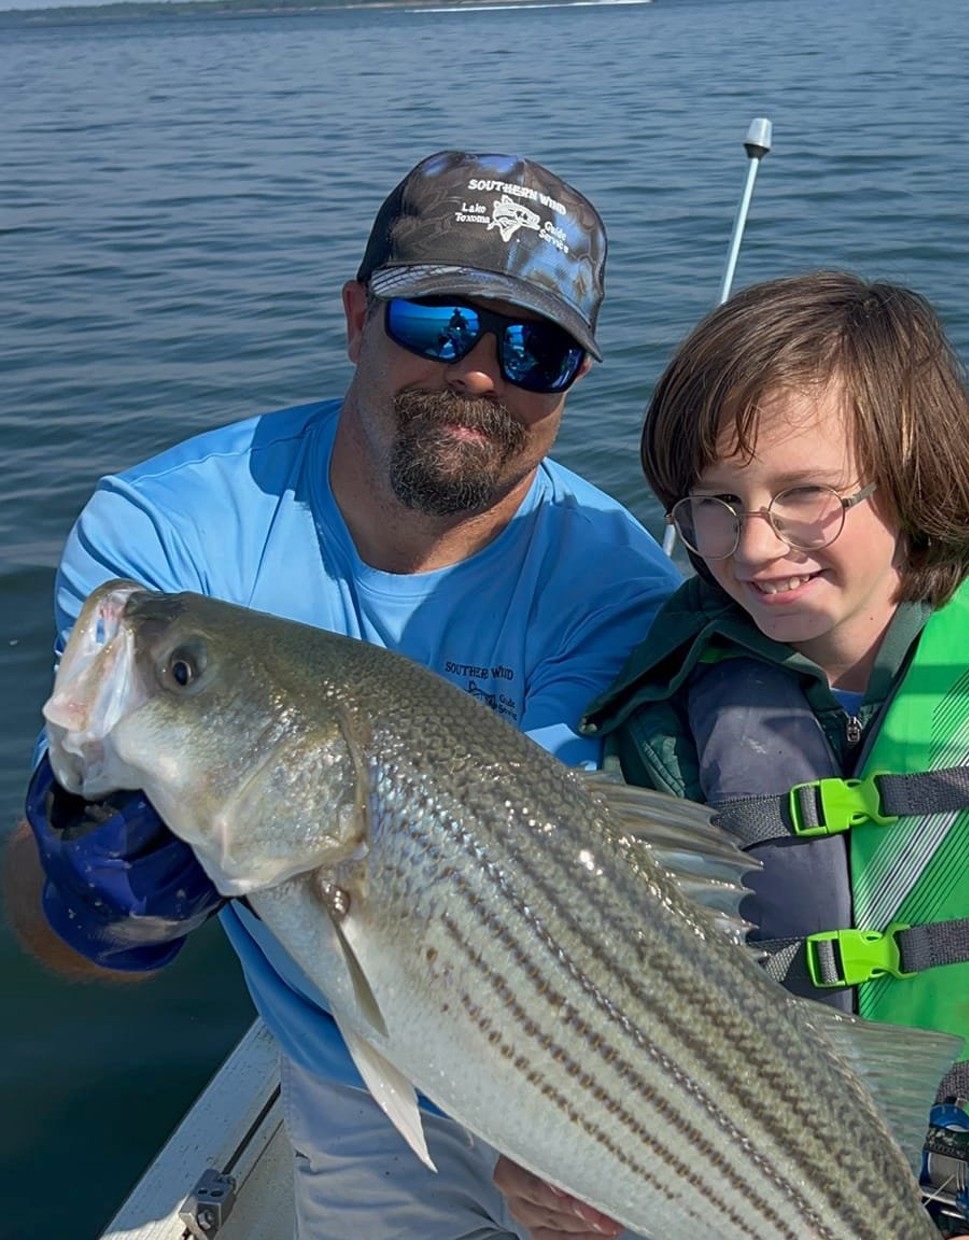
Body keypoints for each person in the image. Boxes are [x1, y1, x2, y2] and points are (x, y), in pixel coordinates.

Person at [6, 149, 684, 1240]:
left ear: (574, 382)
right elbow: (48, 930)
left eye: (535, 348)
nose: (480, 373)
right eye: (439, 324)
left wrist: (575, 1135)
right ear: (358, 316)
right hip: (347, 1077)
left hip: (582, 1070)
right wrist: (92, 894)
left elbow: (569, 925)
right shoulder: (163, 547)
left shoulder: (621, 595)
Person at [495, 270, 969, 1240]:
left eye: (804, 494)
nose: (754, 545)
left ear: (913, 476)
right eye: (714, 501)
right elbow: (615, 1031)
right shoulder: (660, 731)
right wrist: (548, 1164)